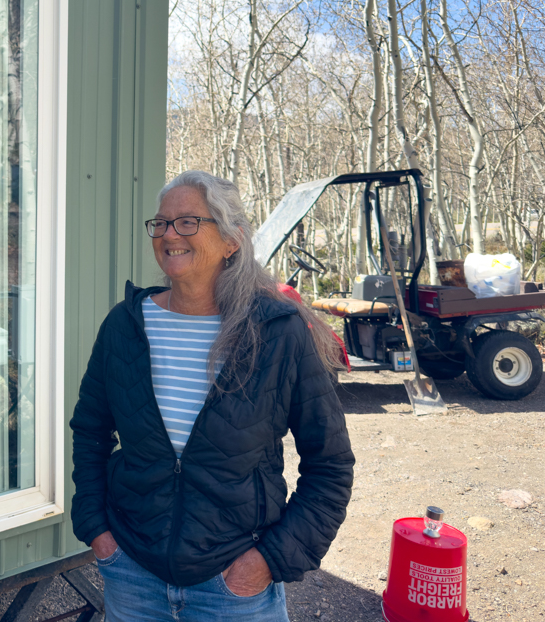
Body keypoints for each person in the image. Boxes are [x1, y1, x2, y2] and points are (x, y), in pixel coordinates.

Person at [70, 170, 355, 622]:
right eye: (161, 223)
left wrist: (267, 563)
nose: (169, 235)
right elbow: (90, 431)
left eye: (188, 222)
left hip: (233, 588)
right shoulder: (125, 326)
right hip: (133, 574)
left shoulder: (276, 333)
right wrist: (98, 532)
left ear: (231, 240)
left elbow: (331, 465)